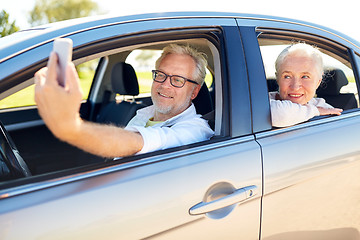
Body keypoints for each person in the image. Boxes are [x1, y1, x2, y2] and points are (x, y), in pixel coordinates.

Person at [34, 44, 214, 158]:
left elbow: (137, 143)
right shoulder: (142, 114)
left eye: (178, 80)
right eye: (161, 75)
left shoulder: (195, 130)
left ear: (194, 92)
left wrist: (70, 127)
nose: (165, 85)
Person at [269, 43, 343, 127]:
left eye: (305, 76)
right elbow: (280, 114)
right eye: (287, 76)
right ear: (278, 79)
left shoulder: (323, 107)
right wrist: (316, 111)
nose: (295, 87)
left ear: (318, 82)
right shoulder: (262, 103)